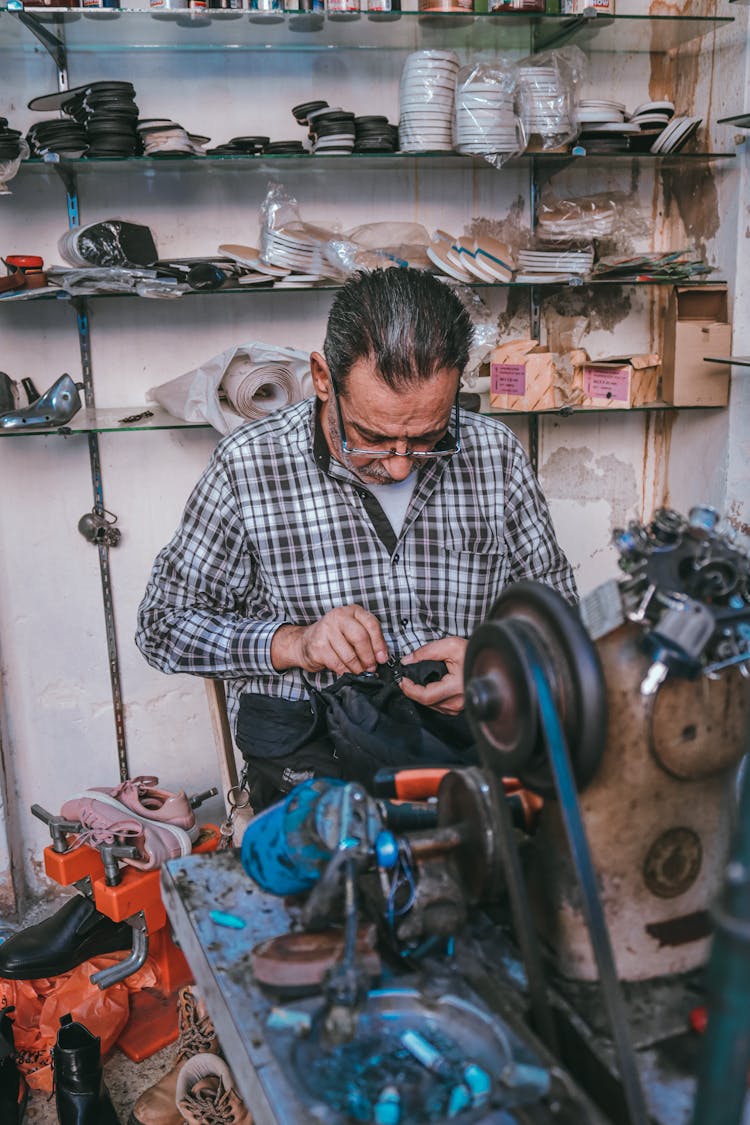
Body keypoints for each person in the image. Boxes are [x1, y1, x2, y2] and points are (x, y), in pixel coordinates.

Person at [136, 268, 577, 809]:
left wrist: (496, 664)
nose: (397, 467)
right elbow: (163, 627)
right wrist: (295, 643)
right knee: (350, 871)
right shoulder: (248, 465)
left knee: (521, 855)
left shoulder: (494, 454)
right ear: (323, 377)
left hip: (465, 736)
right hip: (313, 743)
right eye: (370, 438)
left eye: (425, 439)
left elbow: (557, 611)